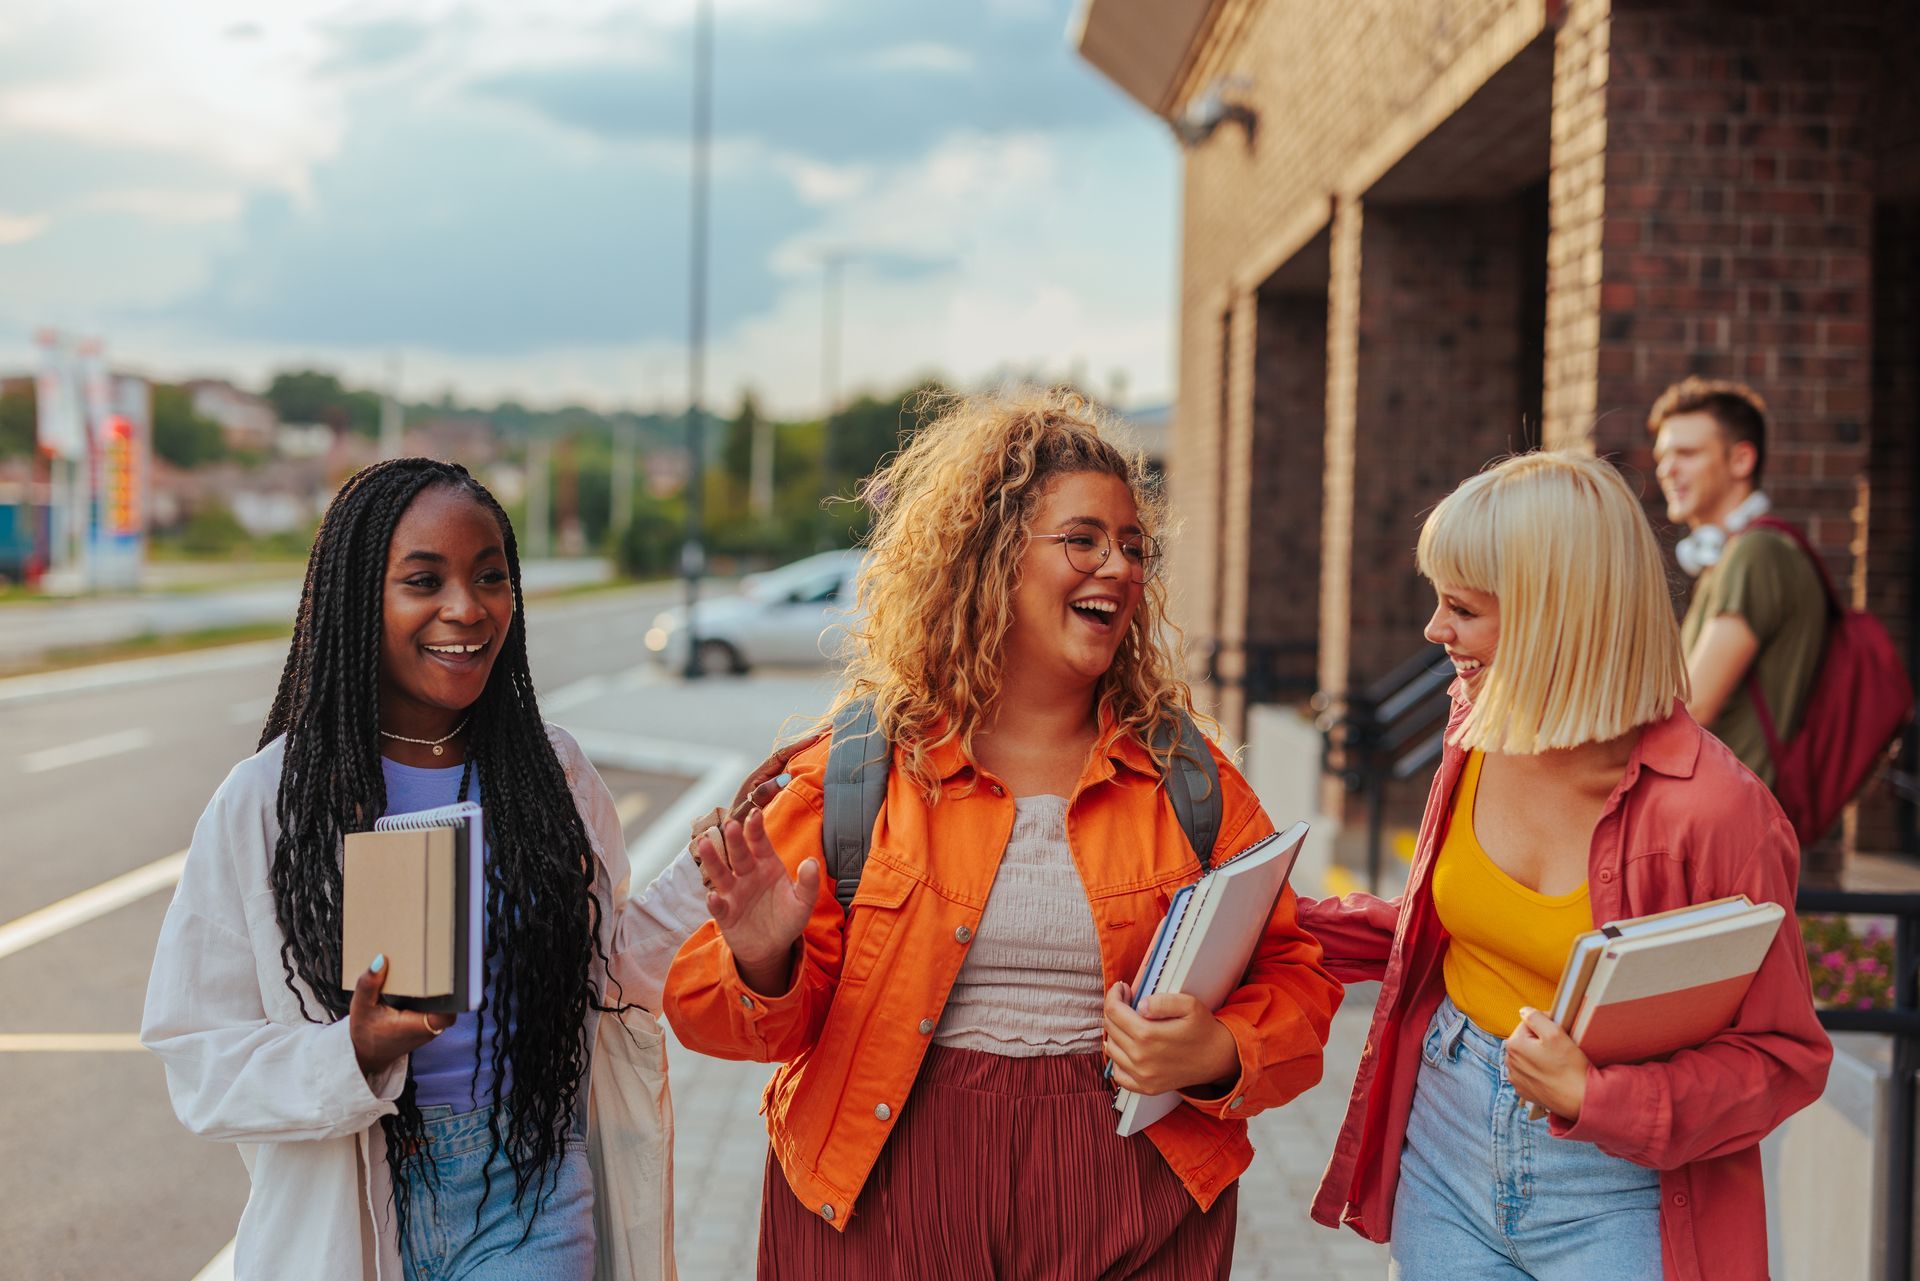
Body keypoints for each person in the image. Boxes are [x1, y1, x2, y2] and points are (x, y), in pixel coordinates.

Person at [663, 389, 1341, 1280]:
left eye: (1134, 545)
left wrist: (1219, 1052)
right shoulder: (861, 770)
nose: (1119, 567)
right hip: (884, 1199)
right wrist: (761, 964)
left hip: (1129, 1200)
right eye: (1083, 538)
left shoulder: (1191, 779)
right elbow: (709, 1012)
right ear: (989, 557)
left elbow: (1299, 981)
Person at [141, 458, 706, 1281]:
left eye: (490, 576)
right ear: (358, 597)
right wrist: (353, 1054)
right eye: (423, 579)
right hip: (354, 1196)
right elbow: (194, 1050)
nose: (467, 608)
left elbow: (607, 966)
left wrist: (709, 878)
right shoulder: (270, 800)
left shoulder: (552, 774)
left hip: (529, 1187)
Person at [1300, 451, 1830, 1280]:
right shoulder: (1474, 725)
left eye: (1462, 609)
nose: (1435, 631)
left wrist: (1597, 1098)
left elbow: (1782, 1058)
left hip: (1622, 1188)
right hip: (1445, 1136)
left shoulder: (1719, 813)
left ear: (1556, 621)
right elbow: (1441, 928)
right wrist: (1278, 921)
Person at [1649, 376, 1826, 788]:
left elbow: (1692, 707)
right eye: (1663, 455)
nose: (1666, 469)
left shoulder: (1756, 553)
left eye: (1687, 453)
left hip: (1738, 817)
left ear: (1741, 460)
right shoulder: (1729, 554)